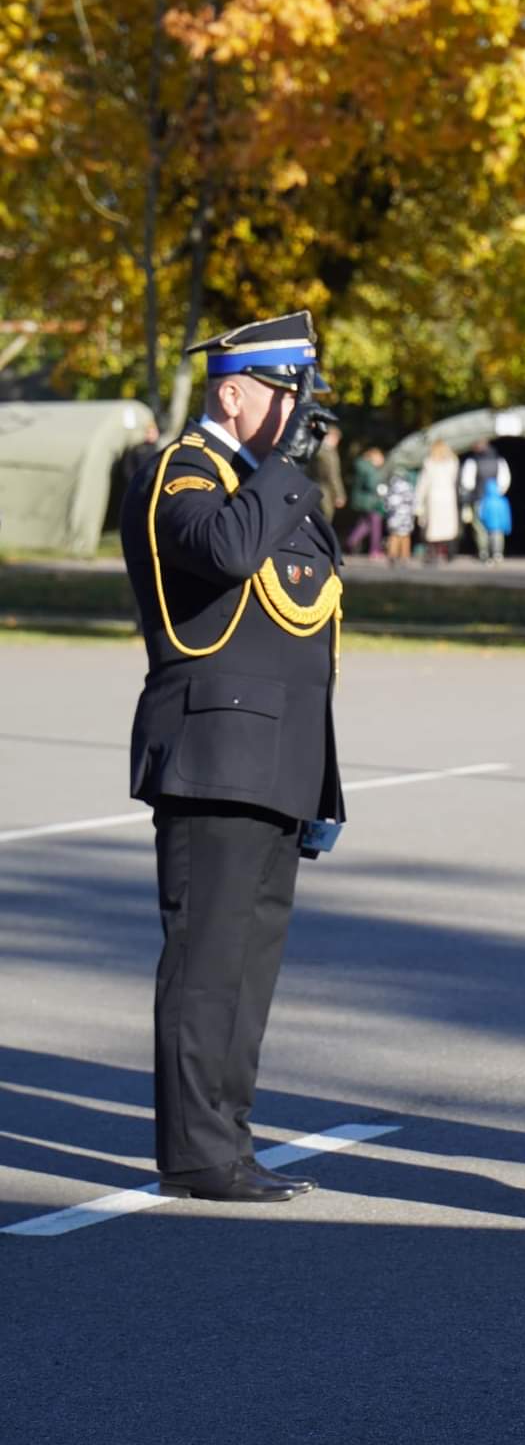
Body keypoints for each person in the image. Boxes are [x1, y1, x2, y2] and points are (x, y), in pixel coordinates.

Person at [120, 310, 344, 1205]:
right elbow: (219, 552)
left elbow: (308, 634)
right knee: (206, 963)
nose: (298, 415)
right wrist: (284, 465)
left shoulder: (262, 480)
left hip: (276, 760)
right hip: (212, 753)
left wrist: (322, 779)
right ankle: (196, 1153)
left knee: (249, 974)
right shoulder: (180, 470)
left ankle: (231, 1141)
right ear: (236, 392)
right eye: (287, 396)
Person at [459, 439, 510, 562]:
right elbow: (505, 481)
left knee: (480, 528)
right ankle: (497, 553)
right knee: (496, 527)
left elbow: (467, 483)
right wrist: (498, 493)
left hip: (479, 499)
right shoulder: (499, 460)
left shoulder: (472, 462)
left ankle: (484, 552)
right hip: (496, 501)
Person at [415, 438, 460, 562]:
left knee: (433, 527)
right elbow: (454, 479)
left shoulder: (429, 463)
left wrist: (418, 501)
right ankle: (450, 553)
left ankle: (432, 554)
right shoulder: (452, 462)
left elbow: (423, 483)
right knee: (448, 527)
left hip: (433, 497)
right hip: (448, 497)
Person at [346, 445, 387, 557]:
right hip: (371, 501)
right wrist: (381, 488)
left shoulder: (361, 466)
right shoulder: (370, 468)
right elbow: (371, 484)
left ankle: (352, 541)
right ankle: (375, 550)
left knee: (365, 524)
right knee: (375, 526)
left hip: (363, 500)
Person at [309, 422, 347, 526]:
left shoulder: (315, 448)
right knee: (324, 519)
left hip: (313, 487)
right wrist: (339, 494)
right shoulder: (327, 453)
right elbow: (332, 475)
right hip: (324, 490)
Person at [475, 468, 512, 562]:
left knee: (485, 538)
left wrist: (481, 520)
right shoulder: (502, 501)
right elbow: (506, 516)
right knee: (498, 539)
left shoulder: (485, 501)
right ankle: (498, 554)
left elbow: (480, 513)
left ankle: (485, 553)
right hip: (498, 526)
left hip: (487, 524)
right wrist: (507, 527)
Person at [384, 466, 417, 564]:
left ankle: (392, 554)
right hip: (406, 516)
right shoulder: (410, 487)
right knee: (405, 536)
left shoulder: (392, 487)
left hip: (395, 516)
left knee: (394, 536)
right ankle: (405, 555)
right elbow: (414, 502)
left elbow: (389, 503)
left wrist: (387, 509)